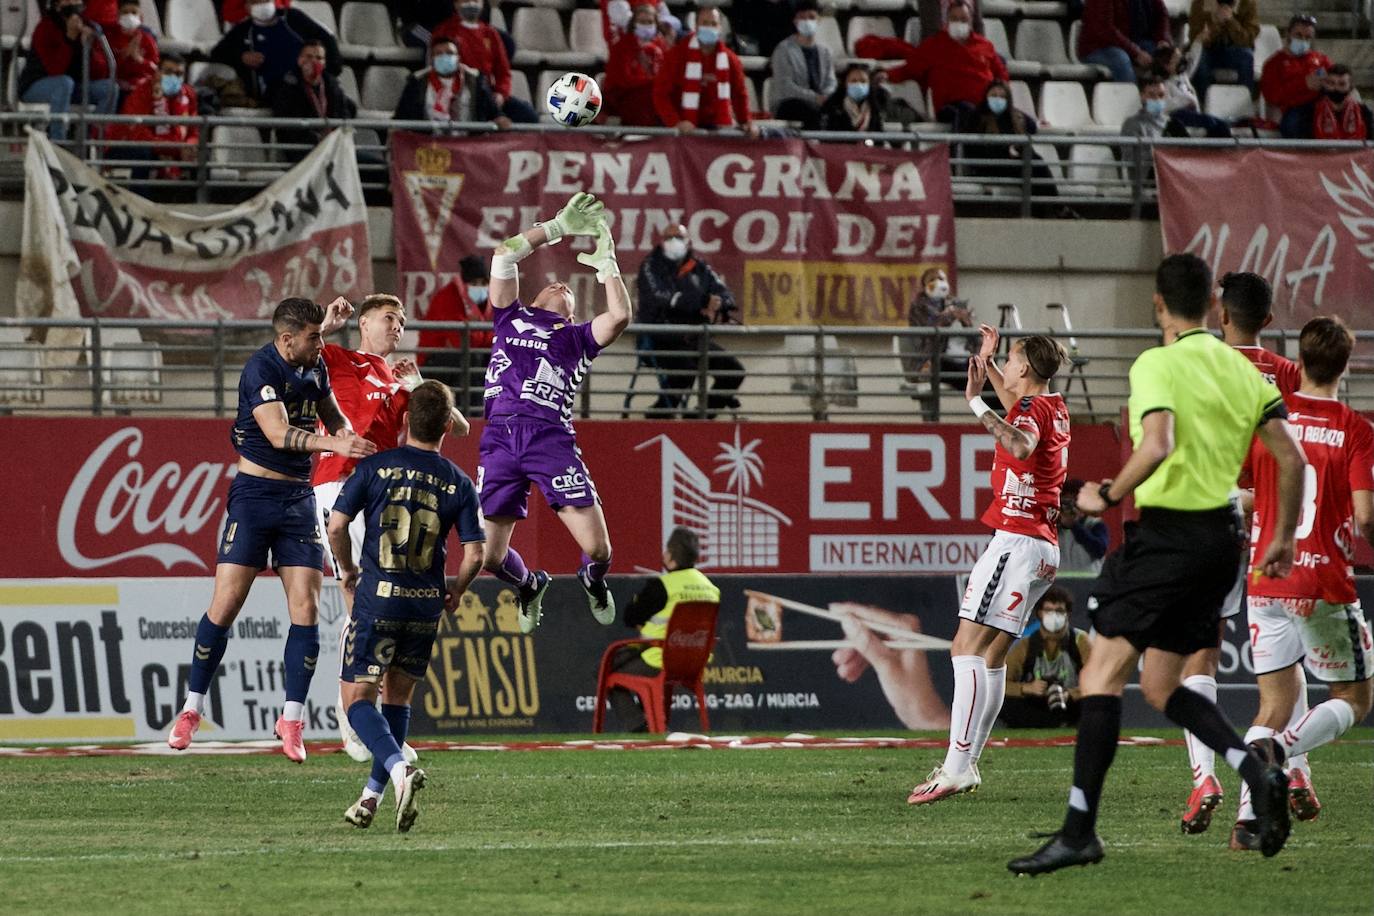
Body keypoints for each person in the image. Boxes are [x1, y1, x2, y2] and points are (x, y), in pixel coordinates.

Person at [1007, 253, 1306, 876]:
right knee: (1164, 684)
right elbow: (1292, 459)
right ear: (1215, 310)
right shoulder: (1243, 368)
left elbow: (1160, 442)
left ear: (1159, 306)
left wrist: (1106, 495)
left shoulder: (1157, 363)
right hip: (1224, 542)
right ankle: (1257, 769)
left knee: (1101, 677)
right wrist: (1280, 537)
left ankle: (1078, 831)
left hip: (1170, 533)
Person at [165, 297, 377, 760]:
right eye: (314, 336)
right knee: (226, 604)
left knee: (305, 609)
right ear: (287, 340)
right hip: (255, 498)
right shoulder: (260, 370)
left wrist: (343, 432)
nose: (322, 343)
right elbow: (280, 434)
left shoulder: (315, 366)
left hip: (298, 500)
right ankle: (191, 709)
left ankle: (292, 719)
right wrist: (330, 443)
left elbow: (334, 414)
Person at [908, 326, 1070, 805]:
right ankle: (968, 764)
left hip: (1016, 543)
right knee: (994, 655)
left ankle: (957, 766)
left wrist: (975, 403)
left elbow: (1019, 444)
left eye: (1012, 360)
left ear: (1026, 368)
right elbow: (1018, 407)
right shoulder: (1051, 404)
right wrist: (990, 362)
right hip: (1041, 548)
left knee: (965, 648)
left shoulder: (1028, 411)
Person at [1233, 316, 1374, 850]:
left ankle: (1248, 823)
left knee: (1270, 705)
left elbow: (1246, 492)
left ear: (1300, 358)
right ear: (1346, 364)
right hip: (1321, 581)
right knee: (1355, 697)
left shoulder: (1270, 419)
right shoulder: (1356, 429)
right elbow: (1365, 516)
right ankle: (1282, 754)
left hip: (1266, 578)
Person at [1177, 269, 1303, 835]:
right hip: (1275, 522)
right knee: (1283, 661)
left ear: (1220, 315)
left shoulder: (1200, 364)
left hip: (1215, 513)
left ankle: (1205, 775)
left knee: (1197, 654)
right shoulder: (1288, 374)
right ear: (1269, 321)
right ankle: (1295, 767)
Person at [330, 380, 485, 831]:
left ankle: (399, 772)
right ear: (444, 428)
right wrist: (456, 587)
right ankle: (369, 799)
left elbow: (337, 524)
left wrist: (347, 571)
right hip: (424, 608)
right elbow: (476, 553)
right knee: (397, 699)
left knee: (357, 699)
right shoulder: (457, 481)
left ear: (404, 421)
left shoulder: (375, 468)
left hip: (377, 602)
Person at [479, 192, 631, 632]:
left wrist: (608, 267)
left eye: (569, 290)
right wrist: (556, 228)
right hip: (500, 437)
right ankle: (529, 584)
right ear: (537, 293)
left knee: (599, 550)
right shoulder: (510, 317)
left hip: (549, 438)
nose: (561, 286)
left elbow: (619, 316)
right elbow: (504, 254)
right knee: (489, 556)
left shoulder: (577, 338)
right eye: (554, 283)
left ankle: (591, 578)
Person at [607, 527, 721, 731]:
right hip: (695, 662)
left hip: (659, 657)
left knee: (606, 672)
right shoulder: (711, 589)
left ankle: (639, 727)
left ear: (670, 556)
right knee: (640, 676)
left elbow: (630, 616)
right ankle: (651, 723)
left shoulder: (662, 586)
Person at [635, 225, 744, 419]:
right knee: (685, 369)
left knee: (733, 371)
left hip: (693, 337)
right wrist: (701, 302)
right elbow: (661, 297)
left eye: (678, 237)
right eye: (669, 237)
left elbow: (725, 294)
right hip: (659, 337)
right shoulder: (650, 266)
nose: (674, 241)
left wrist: (718, 304)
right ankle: (659, 415)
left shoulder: (699, 267)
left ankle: (699, 418)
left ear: (688, 241)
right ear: (661, 241)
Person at [880, 1, 1007, 130]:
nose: (959, 23)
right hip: (951, 107)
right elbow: (910, 69)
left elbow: (1001, 73)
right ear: (947, 21)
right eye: (954, 19)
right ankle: (959, 150)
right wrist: (886, 75)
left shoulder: (985, 45)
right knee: (966, 112)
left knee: (1020, 119)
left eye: (963, 19)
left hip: (984, 105)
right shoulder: (933, 45)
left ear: (971, 21)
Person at [18, 1, 117, 141]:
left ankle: (91, 141)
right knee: (64, 83)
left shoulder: (90, 26)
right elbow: (55, 70)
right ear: (57, 5)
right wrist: (69, 38)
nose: (72, 3)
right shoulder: (45, 28)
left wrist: (88, 48)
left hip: (73, 87)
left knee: (110, 88)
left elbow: (100, 73)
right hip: (37, 86)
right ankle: (58, 143)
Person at [210, 0, 341, 106]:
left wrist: (329, 72)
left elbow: (327, 39)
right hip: (275, 92)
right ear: (247, 6)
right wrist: (241, 57)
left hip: (310, 83)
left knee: (343, 103)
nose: (262, 4)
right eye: (256, 2)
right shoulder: (242, 31)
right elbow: (217, 53)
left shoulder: (293, 18)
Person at [653, 6, 756, 135]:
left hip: (716, 125)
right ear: (696, 27)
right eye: (705, 23)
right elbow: (660, 94)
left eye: (713, 24)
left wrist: (746, 121)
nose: (709, 28)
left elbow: (740, 94)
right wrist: (676, 122)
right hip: (682, 126)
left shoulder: (730, 59)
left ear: (720, 28)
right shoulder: (677, 55)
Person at [432, 0, 539, 124]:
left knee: (528, 115)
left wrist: (501, 94)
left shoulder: (491, 33)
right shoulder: (444, 31)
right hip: (457, 94)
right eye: (466, 0)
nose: (471, 4)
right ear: (456, 4)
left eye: (476, 0)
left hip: (487, 94)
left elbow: (503, 72)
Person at [1001, 587, 1093, 728]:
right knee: (1003, 702)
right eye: (1049, 610)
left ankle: (1057, 722)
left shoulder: (1081, 640)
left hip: (1070, 702)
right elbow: (1001, 683)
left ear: (1067, 614)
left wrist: (1070, 693)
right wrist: (1026, 688)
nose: (1054, 615)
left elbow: (1097, 680)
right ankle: (1055, 724)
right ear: (1040, 613)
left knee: (1095, 700)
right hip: (1037, 702)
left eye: (1059, 611)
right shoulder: (1025, 645)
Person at [416, 255, 494, 407]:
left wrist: (478, 329)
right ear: (464, 283)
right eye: (474, 283)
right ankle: (472, 414)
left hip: (465, 358)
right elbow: (463, 341)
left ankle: (484, 413)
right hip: (433, 361)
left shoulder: (488, 302)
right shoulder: (448, 298)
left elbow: (493, 339)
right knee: (472, 359)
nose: (479, 287)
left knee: (491, 359)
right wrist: (482, 332)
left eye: (483, 283)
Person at [108, 52, 198, 182]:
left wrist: (190, 145)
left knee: (199, 154)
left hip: (172, 146)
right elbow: (137, 134)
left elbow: (194, 130)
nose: (173, 77)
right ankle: (139, 199)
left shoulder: (188, 94)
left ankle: (197, 199)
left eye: (179, 74)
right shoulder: (141, 92)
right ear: (157, 72)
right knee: (143, 153)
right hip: (129, 145)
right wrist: (175, 148)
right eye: (168, 72)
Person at [966, 81, 1060, 201]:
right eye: (993, 96)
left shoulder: (1013, 115)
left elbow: (1030, 125)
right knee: (1032, 166)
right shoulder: (977, 116)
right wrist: (1007, 150)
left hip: (1013, 163)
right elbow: (975, 148)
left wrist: (1037, 123)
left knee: (1034, 163)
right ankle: (1057, 206)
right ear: (986, 96)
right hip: (990, 165)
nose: (997, 100)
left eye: (1002, 97)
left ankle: (1047, 208)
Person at [393, 35, 508, 128]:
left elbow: (494, 113)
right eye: (439, 53)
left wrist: (500, 119)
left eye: (449, 53)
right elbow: (400, 117)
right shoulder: (417, 81)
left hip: (468, 146)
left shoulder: (476, 79)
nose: (444, 57)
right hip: (429, 147)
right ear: (432, 59)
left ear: (458, 58)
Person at [270, 39, 357, 161]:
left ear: (324, 63)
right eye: (309, 57)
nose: (314, 61)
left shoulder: (332, 85)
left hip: (333, 147)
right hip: (304, 150)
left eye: (319, 58)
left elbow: (348, 110)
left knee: (377, 167)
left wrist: (336, 134)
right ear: (300, 60)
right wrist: (316, 139)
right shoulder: (288, 86)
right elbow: (289, 128)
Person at [899, 268, 976, 391]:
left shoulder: (954, 303)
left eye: (941, 279)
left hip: (961, 360)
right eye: (932, 280)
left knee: (985, 377)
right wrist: (952, 314)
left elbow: (974, 341)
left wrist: (966, 322)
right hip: (933, 362)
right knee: (974, 381)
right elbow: (932, 330)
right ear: (924, 286)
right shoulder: (919, 306)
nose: (938, 283)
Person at [768, 0, 836, 130]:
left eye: (811, 17)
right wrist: (814, 98)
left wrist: (826, 96)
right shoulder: (783, 49)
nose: (807, 21)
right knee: (810, 111)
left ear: (819, 20)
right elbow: (785, 86)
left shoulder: (825, 51)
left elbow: (831, 81)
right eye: (802, 17)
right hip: (789, 102)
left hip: (819, 102)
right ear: (795, 21)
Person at [1258, 14, 1330, 135]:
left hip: (1324, 105)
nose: (1303, 41)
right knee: (1293, 125)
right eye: (1299, 35)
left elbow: (1338, 76)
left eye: (1308, 37)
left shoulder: (1321, 60)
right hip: (1295, 109)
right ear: (1288, 34)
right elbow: (1272, 97)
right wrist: (1303, 84)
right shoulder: (1274, 63)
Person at [604, 3, 670, 127]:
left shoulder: (662, 47)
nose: (646, 25)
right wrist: (653, 82)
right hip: (627, 96)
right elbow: (621, 81)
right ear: (633, 24)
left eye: (649, 22)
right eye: (642, 22)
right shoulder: (621, 46)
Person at [1077, 0, 1169, 83]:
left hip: (1128, 43)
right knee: (1120, 59)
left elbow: (1161, 13)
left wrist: (1162, 40)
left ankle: (1167, 98)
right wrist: (1135, 52)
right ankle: (1130, 98)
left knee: (1164, 55)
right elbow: (1105, 29)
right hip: (1097, 47)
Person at [1152, 44, 1231, 138]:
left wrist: (1199, 41)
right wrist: (1184, 100)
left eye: (1180, 58)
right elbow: (1157, 107)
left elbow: (1194, 60)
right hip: (1176, 116)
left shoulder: (1183, 77)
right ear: (1166, 65)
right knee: (1210, 123)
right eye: (1176, 60)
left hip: (1193, 114)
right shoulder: (1162, 84)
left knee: (1222, 125)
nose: (1181, 62)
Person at [1282, 65, 1373, 141]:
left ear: (1350, 87)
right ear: (1324, 85)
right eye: (1331, 83)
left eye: (1342, 84)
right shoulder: (1309, 112)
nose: (1336, 88)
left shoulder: (1363, 112)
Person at [1187, 0, 1258, 97]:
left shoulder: (1247, 3)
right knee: (1199, 59)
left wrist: (1231, 21)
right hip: (1208, 50)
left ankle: (1244, 100)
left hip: (1235, 49)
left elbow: (1248, 40)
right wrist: (1216, 23)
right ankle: (1206, 101)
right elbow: (1195, 38)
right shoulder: (1201, 3)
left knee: (1247, 56)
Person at [106, 0, 158, 94]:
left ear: (141, 18)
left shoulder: (147, 39)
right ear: (118, 16)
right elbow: (106, 69)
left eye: (134, 12)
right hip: (118, 82)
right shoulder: (111, 38)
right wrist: (125, 55)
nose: (129, 16)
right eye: (125, 12)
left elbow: (155, 68)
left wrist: (139, 59)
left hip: (141, 83)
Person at [1057, 480, 1108, 573]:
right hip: (1059, 581)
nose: (1071, 508)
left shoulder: (1094, 524)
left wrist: (1075, 526)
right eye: (1066, 503)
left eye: (1075, 503)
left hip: (1089, 581)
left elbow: (1099, 550)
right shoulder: (1052, 527)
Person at [819, 64, 886, 133]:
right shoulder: (833, 106)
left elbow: (880, 132)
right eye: (853, 81)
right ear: (845, 84)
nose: (859, 85)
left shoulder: (875, 106)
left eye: (863, 81)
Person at [222, 0, 291, 26]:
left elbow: (287, 9)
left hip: (277, 24)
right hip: (249, 28)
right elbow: (228, 15)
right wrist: (246, 11)